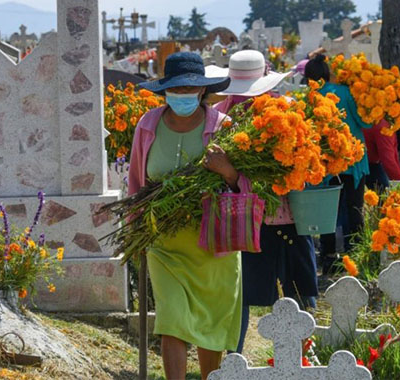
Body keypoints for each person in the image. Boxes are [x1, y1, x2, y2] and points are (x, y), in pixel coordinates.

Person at [128, 52, 242, 380]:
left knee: (212, 324)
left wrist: (229, 172)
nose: (182, 96)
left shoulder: (223, 127)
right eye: (175, 91)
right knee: (172, 320)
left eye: (189, 90)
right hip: (165, 244)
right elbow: (137, 182)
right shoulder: (148, 126)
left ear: (202, 92)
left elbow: (246, 187)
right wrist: (136, 230)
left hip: (214, 245)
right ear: (164, 92)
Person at [209, 50, 319, 354]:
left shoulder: (289, 113)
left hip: (288, 218)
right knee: (239, 296)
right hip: (241, 223)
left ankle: (305, 356)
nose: (247, 99)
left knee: (298, 293)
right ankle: (234, 359)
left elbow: (307, 164)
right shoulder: (219, 119)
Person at [304, 54, 371, 276]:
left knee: (328, 213)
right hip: (353, 159)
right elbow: (363, 122)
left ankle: (329, 259)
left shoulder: (310, 98)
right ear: (327, 73)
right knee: (355, 209)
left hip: (327, 164)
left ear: (308, 78)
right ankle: (358, 257)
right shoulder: (345, 91)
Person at [364, 119, 400, 193]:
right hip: (366, 164)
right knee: (383, 193)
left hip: (369, 162)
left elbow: (394, 157)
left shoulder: (387, 127)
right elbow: (388, 162)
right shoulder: (384, 128)